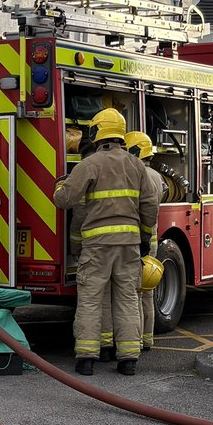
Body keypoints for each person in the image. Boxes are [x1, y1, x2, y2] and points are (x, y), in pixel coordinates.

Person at [54, 108, 158, 377]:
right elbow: (149, 205)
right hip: (129, 245)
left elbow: (66, 201)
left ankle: (87, 358)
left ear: (97, 132)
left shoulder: (89, 164)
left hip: (97, 246)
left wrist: (59, 186)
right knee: (127, 299)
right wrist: (144, 236)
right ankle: (128, 359)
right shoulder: (136, 165)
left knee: (90, 299)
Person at [124, 131, 166, 351]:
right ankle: (147, 339)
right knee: (147, 293)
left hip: (138, 240)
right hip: (152, 240)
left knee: (133, 294)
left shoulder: (138, 174)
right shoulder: (157, 176)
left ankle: (137, 340)